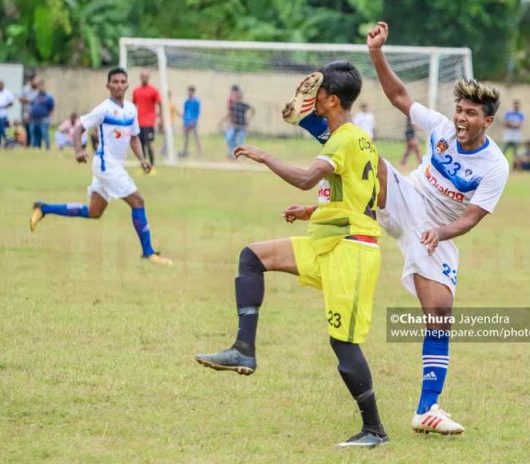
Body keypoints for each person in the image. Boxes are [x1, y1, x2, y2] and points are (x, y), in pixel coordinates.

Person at [282, 21, 509, 436]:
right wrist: (376, 54)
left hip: (439, 229)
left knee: (439, 315)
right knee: (373, 161)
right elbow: (400, 96)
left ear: (487, 122)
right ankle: (314, 120)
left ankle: (427, 409)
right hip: (406, 195)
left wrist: (441, 234)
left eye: (470, 113)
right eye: (459, 110)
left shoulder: (495, 165)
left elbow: (473, 217)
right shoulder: (441, 127)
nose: (460, 118)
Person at [195, 61, 389, 449]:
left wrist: (264, 157)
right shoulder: (361, 140)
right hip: (329, 240)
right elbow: (375, 193)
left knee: (343, 343)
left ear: (332, 100)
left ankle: (374, 431)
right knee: (252, 256)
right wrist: (314, 211)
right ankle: (243, 350)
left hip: (352, 252)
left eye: (315, 93)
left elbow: (306, 178)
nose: (309, 98)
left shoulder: (344, 139)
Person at [29, 67, 172, 266]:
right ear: (108, 85)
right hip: (107, 166)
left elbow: (134, 137)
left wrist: (142, 159)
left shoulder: (131, 109)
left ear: (127, 85)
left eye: (123, 81)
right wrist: (78, 151)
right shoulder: (103, 109)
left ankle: (43, 208)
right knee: (138, 202)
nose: (119, 85)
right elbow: (79, 128)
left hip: (111, 166)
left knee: (94, 212)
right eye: (115, 82)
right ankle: (148, 252)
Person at [132, 70, 162, 170]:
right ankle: (144, 166)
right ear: (140, 77)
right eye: (142, 76)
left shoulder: (153, 90)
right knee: (141, 144)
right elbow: (133, 105)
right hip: (139, 122)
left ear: (149, 77)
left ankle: (152, 165)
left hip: (149, 122)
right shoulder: (136, 90)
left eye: (146, 76)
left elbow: (160, 104)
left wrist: (160, 119)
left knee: (149, 144)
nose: (144, 78)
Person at [225, 91, 254, 159]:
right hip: (235, 126)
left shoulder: (244, 105)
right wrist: (229, 123)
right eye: (237, 97)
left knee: (240, 141)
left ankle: (241, 155)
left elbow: (253, 110)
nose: (238, 98)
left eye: (239, 97)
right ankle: (232, 153)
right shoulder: (234, 105)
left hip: (242, 126)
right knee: (230, 140)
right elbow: (230, 114)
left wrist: (248, 119)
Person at [29, 79, 54, 150]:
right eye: (39, 86)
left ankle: (48, 147)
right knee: (34, 133)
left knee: (44, 133)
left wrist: (50, 118)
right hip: (34, 119)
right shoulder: (35, 96)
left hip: (43, 119)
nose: (40, 88)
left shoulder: (48, 97)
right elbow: (32, 106)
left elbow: (51, 108)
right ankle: (35, 147)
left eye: (41, 86)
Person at [180, 86, 201, 158]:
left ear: (193, 92)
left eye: (190, 91)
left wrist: (194, 121)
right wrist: (184, 122)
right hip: (186, 122)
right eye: (188, 91)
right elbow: (185, 112)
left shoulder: (196, 102)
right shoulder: (186, 101)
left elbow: (197, 112)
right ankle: (185, 151)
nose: (189, 93)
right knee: (186, 137)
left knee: (196, 137)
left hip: (193, 122)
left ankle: (199, 153)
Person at [20, 75, 39, 146]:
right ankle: (28, 143)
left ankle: (35, 144)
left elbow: (38, 101)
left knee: (35, 130)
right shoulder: (25, 89)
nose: (37, 82)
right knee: (27, 128)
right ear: (31, 81)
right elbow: (21, 99)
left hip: (36, 113)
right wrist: (30, 101)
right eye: (35, 80)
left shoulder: (38, 90)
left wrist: (29, 100)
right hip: (27, 112)